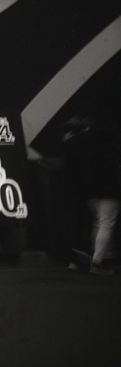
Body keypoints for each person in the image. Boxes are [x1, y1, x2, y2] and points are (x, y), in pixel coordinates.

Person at [61, 115, 119, 274]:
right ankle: (98, 262)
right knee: (106, 224)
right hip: (109, 189)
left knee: (98, 223)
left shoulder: (81, 141)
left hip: (89, 190)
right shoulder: (109, 142)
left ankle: (100, 258)